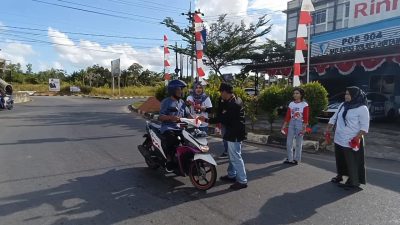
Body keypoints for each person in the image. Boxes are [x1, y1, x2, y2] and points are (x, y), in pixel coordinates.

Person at [204, 83, 248, 190]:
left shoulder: (233, 105)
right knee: (233, 155)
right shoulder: (234, 100)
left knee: (236, 156)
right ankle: (232, 175)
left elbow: (223, 118)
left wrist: (206, 120)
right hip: (235, 131)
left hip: (235, 133)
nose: (220, 94)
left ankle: (242, 181)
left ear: (224, 92)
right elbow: (222, 113)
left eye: (221, 92)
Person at [325, 86, 369, 190]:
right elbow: (334, 118)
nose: (346, 96)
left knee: (352, 161)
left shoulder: (362, 108)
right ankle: (340, 175)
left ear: (355, 95)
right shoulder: (343, 105)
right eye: (345, 94)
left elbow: (364, 127)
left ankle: (353, 181)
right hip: (339, 138)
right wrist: (327, 129)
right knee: (340, 159)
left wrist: (356, 138)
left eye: (348, 94)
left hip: (351, 140)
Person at [158, 80, 190, 172]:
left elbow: (188, 115)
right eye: (179, 89)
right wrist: (171, 117)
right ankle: (169, 160)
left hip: (180, 127)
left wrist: (197, 119)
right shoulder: (166, 102)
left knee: (189, 141)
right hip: (168, 127)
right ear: (173, 90)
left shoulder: (182, 102)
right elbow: (160, 117)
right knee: (172, 140)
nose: (181, 91)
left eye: (182, 89)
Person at [281, 87, 309, 165]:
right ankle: (290, 159)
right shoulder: (291, 104)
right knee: (289, 142)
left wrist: (304, 128)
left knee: (298, 143)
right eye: (294, 93)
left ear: (301, 95)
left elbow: (306, 118)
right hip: (292, 123)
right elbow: (288, 116)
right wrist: (284, 125)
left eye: (297, 93)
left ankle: (296, 159)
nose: (295, 95)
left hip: (300, 123)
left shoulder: (304, 104)